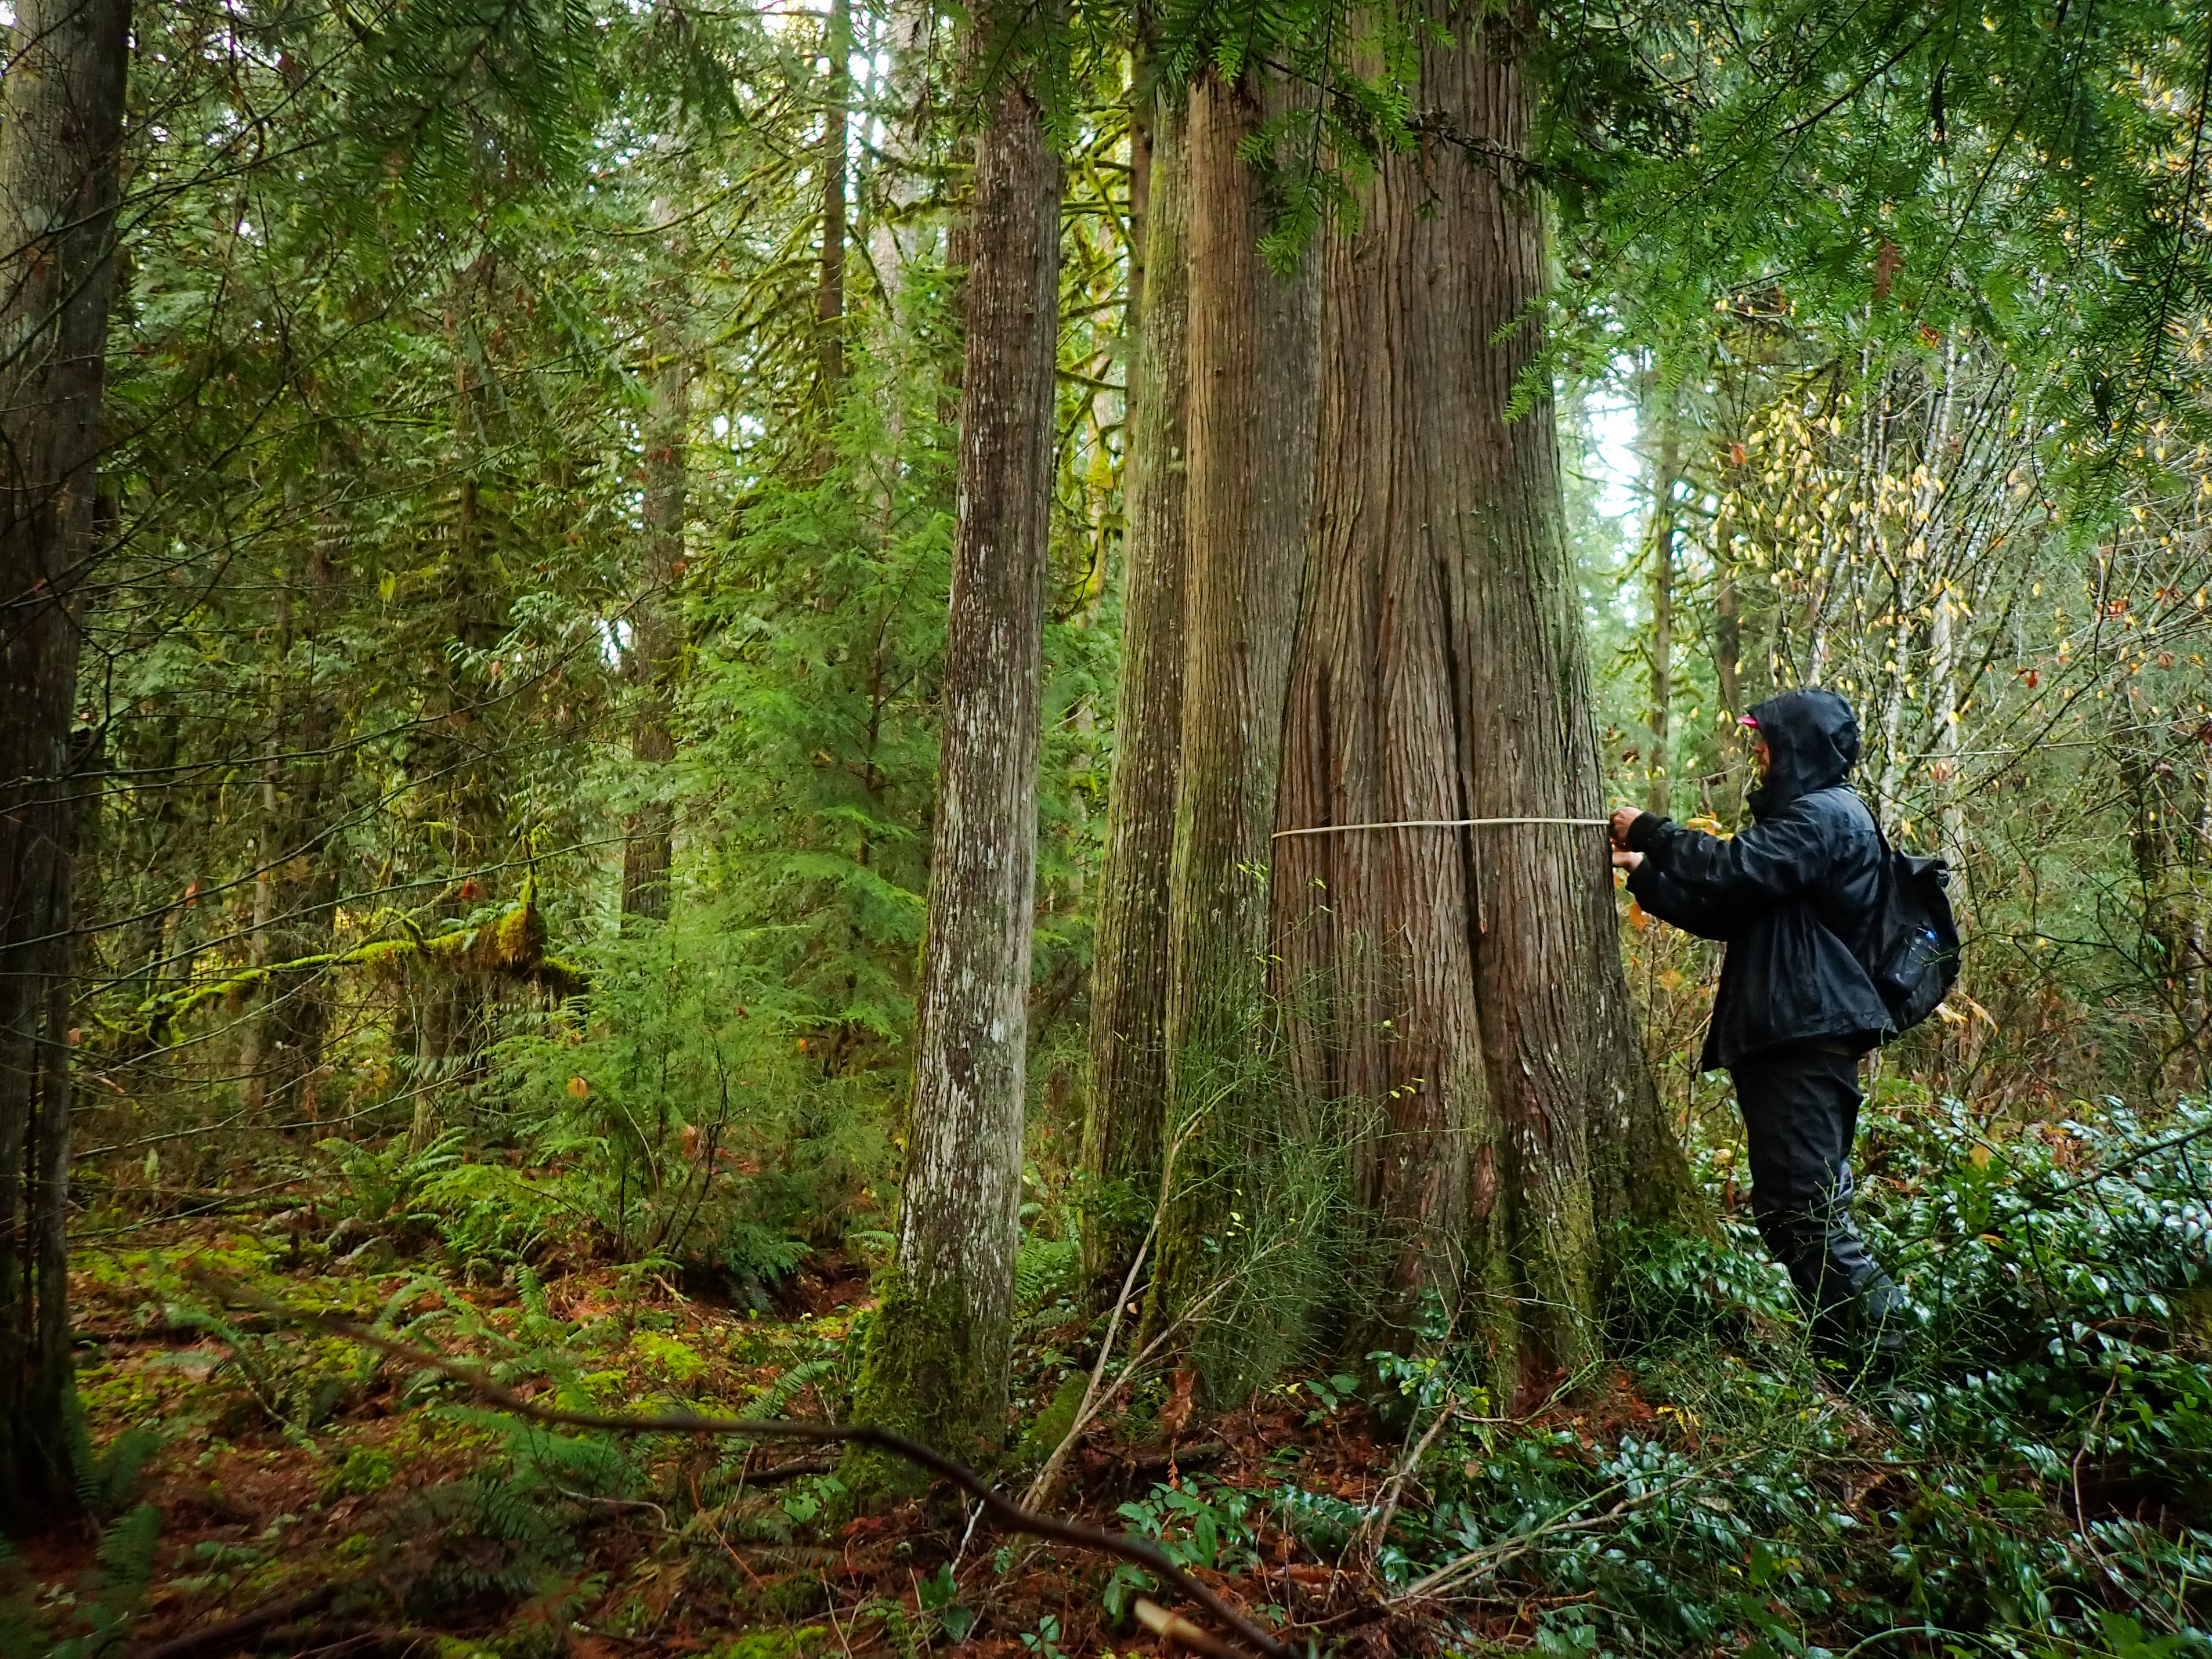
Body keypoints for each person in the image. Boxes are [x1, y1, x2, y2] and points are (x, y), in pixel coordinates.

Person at [1607, 686, 1905, 1368]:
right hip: (1792, 1040)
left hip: (1805, 1042)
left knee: (1805, 1212)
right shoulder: (1808, 824)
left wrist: (1651, 831)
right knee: (1791, 1210)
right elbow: (1728, 907)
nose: (1759, 754)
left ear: (1797, 746)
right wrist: (1647, 874)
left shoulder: (1826, 817)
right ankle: (1847, 1357)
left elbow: (1734, 865)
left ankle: (1882, 1368)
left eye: (1766, 742)